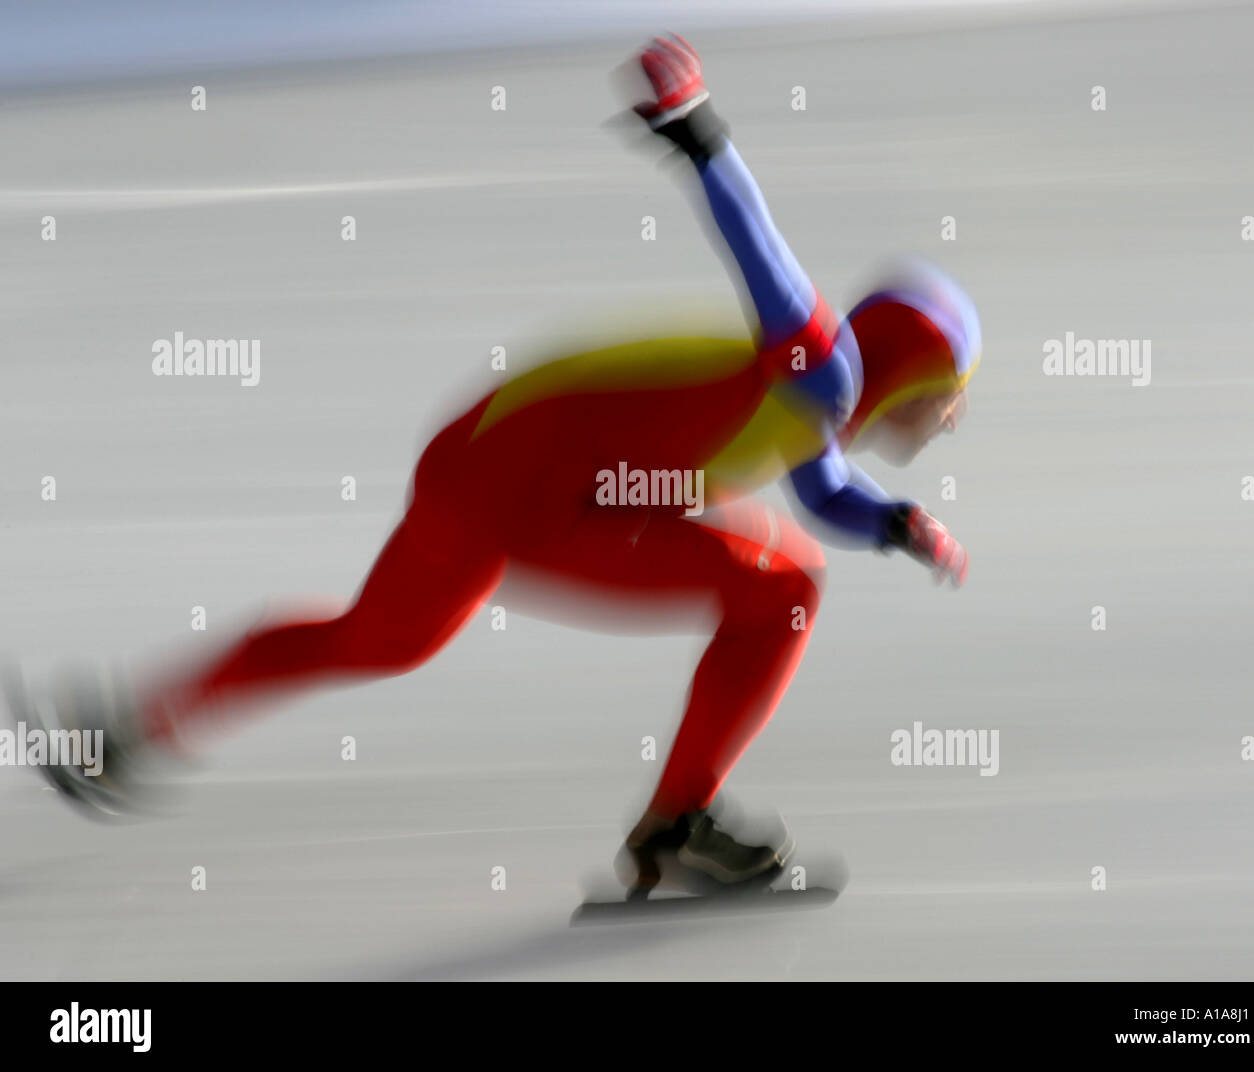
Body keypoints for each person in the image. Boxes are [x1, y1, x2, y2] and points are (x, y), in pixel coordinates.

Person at [4, 34, 980, 897]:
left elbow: (828, 496)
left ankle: (123, 732)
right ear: (915, 371)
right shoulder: (822, 364)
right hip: (538, 492)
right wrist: (693, 128)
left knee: (381, 639)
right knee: (781, 593)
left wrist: (897, 523)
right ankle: (678, 823)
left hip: (478, 466)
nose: (953, 416)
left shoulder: (814, 415)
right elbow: (762, 255)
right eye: (954, 390)